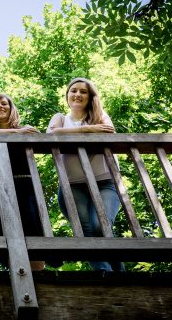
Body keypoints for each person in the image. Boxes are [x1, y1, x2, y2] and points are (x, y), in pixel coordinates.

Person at [47, 77, 124, 272]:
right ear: (67, 96)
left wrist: (83, 129)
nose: (78, 95)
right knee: (85, 232)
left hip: (104, 180)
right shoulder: (61, 118)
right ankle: (105, 274)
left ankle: (120, 274)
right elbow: (50, 133)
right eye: (73, 91)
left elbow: (110, 133)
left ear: (90, 97)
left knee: (101, 226)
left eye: (83, 91)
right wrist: (87, 129)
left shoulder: (100, 115)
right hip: (72, 184)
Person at [0, 93, 45, 271]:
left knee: (33, 235)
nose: (0, 107)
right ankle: (16, 276)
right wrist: (16, 132)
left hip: (24, 187)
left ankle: (40, 280)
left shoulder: (27, 128)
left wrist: (20, 131)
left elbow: (38, 136)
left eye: (4, 103)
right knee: (5, 237)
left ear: (11, 108)